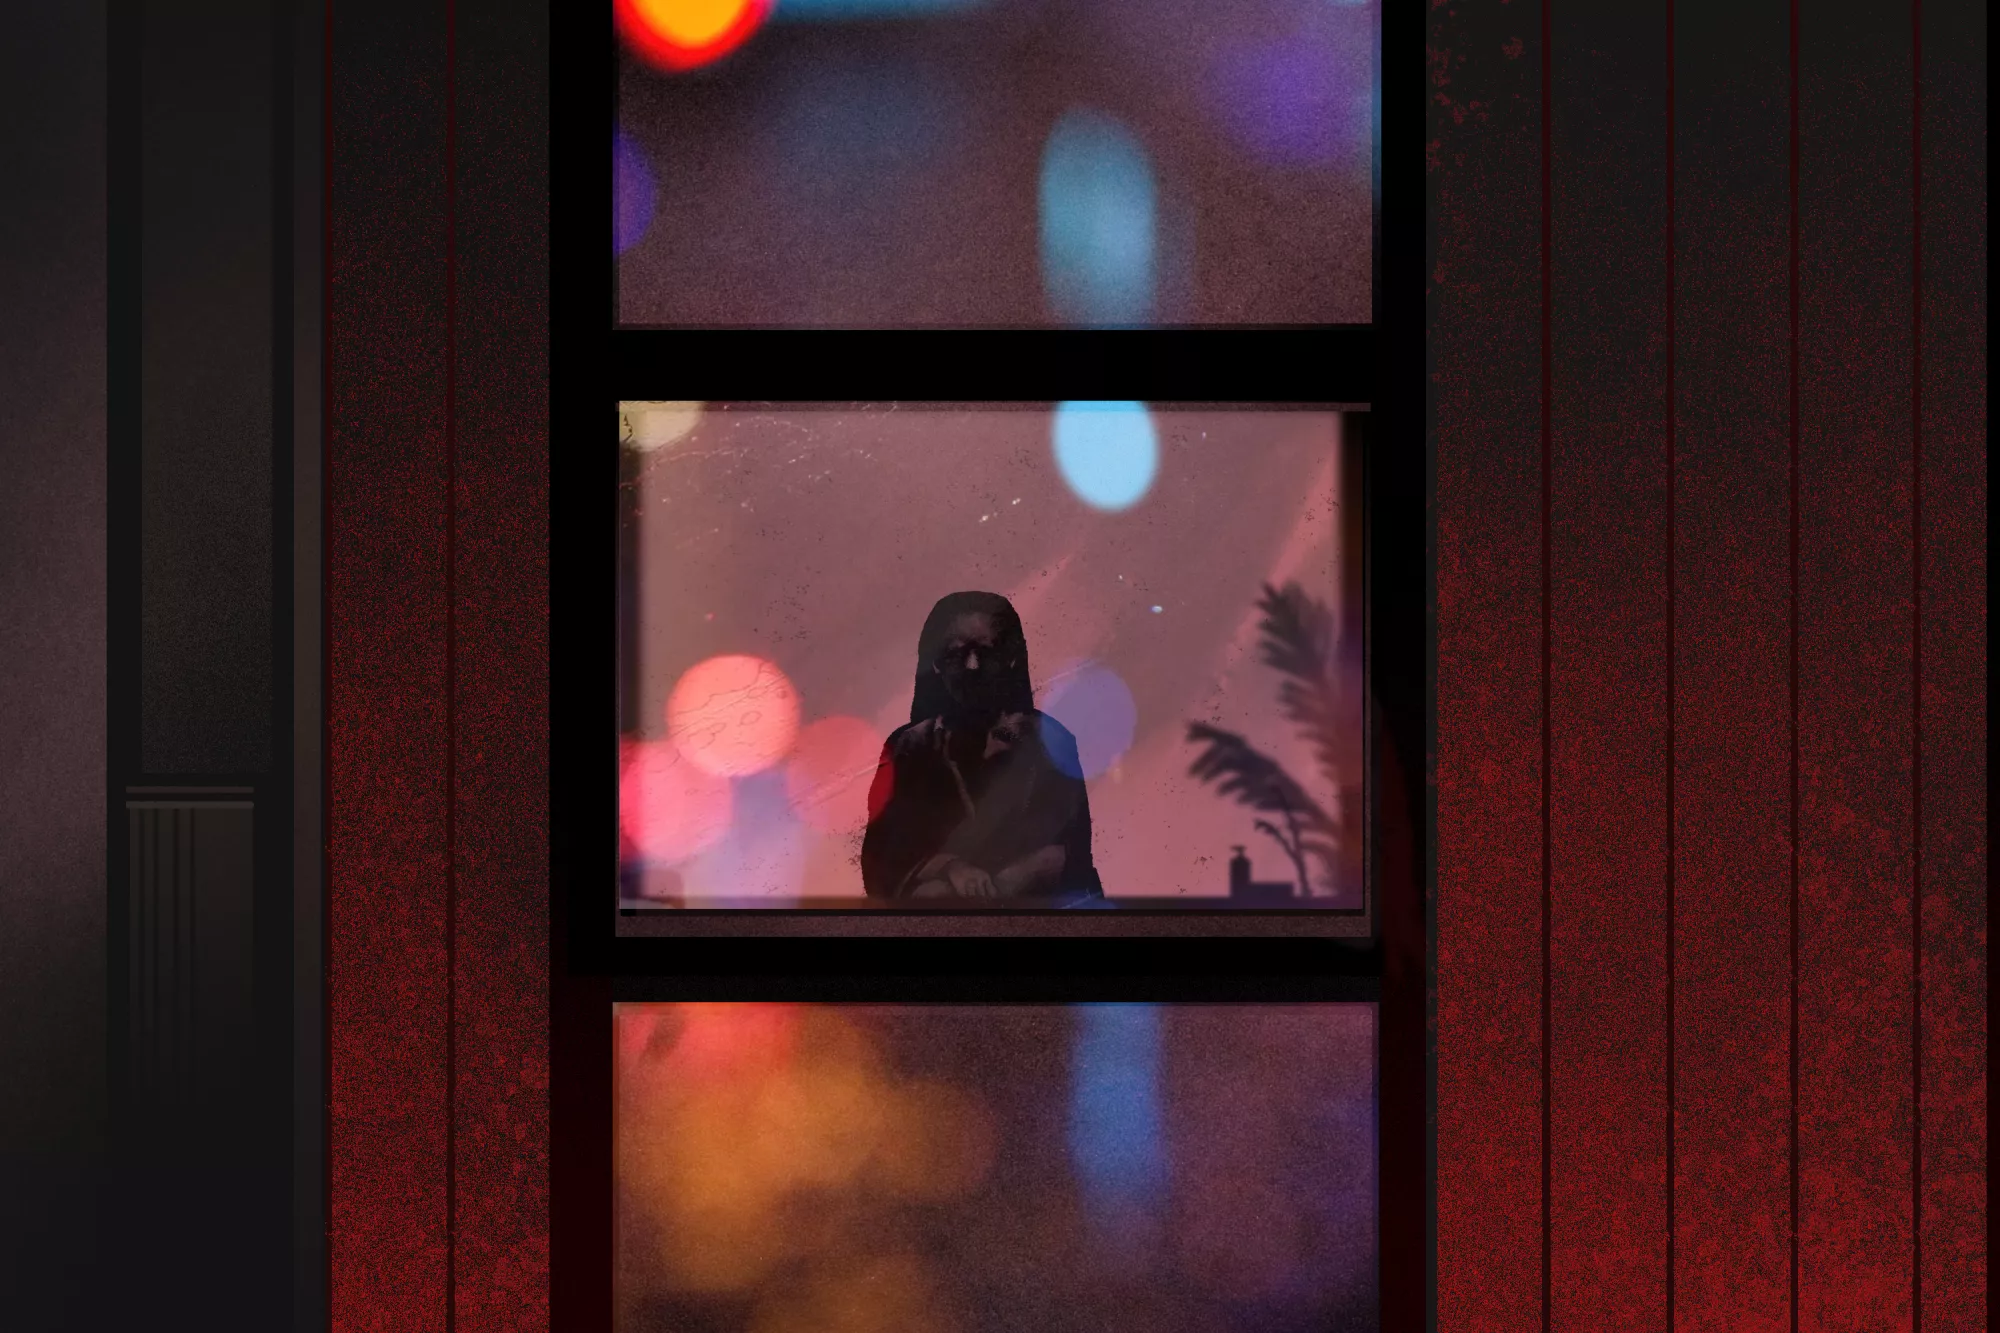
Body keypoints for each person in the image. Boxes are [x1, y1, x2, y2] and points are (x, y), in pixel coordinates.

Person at [861, 592, 1103, 901]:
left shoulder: (1048, 740)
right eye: (954, 654)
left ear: (1010, 657)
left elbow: (1069, 852)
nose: (972, 665)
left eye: (985, 652)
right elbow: (881, 856)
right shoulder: (908, 747)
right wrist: (950, 868)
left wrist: (1004, 885)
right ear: (936, 665)